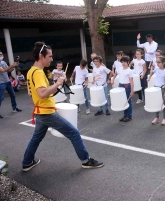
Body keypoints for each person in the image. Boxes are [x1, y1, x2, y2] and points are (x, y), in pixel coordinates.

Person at [22, 42, 103, 172]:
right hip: (47, 112)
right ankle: (86, 160)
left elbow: (38, 92)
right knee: (74, 133)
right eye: (49, 56)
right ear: (41, 56)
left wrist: (56, 85)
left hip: (40, 111)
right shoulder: (38, 73)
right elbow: (42, 94)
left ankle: (27, 162)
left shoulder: (31, 71)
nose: (52, 59)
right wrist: (58, 83)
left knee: (37, 137)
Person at [112, 56, 134, 122]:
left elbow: (131, 81)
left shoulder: (130, 71)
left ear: (128, 62)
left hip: (127, 86)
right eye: (122, 62)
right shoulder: (119, 69)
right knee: (123, 101)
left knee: (128, 101)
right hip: (121, 86)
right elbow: (115, 74)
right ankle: (125, 115)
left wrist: (132, 90)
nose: (123, 63)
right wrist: (113, 79)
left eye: (125, 62)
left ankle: (129, 116)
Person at [0, 50, 22, 119]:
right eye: (0, 54)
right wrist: (12, 65)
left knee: (13, 95)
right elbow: (2, 70)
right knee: (1, 98)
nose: (1, 55)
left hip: (7, 81)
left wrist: (14, 66)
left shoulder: (3, 62)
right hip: (1, 83)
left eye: (1, 54)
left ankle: (14, 108)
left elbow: (8, 70)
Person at [148, 56, 165, 125]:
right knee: (156, 103)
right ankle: (156, 117)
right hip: (155, 88)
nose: (157, 64)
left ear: (163, 63)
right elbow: (152, 72)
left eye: (159, 62)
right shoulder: (157, 69)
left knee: (163, 104)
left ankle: (164, 118)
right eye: (157, 62)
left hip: (161, 89)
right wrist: (149, 78)